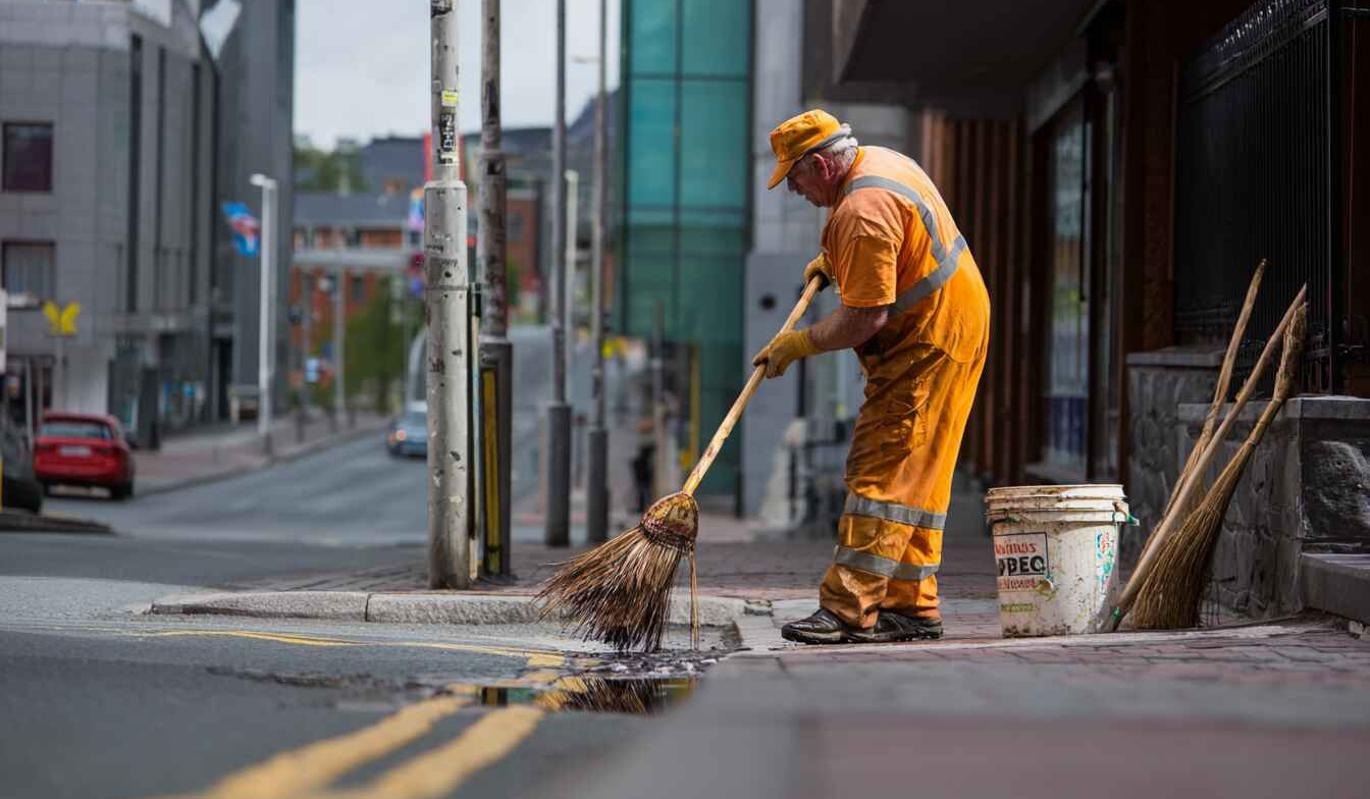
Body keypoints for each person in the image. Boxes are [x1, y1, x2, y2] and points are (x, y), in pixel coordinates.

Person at [752, 109, 990, 644]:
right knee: (918, 476)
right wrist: (835, 262)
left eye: (794, 177)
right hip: (954, 325)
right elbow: (896, 250)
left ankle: (847, 609)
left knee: (880, 473)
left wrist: (799, 344)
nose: (793, 190)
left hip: (925, 341)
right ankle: (911, 606)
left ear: (821, 165)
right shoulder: (882, 162)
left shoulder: (861, 212)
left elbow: (864, 318)